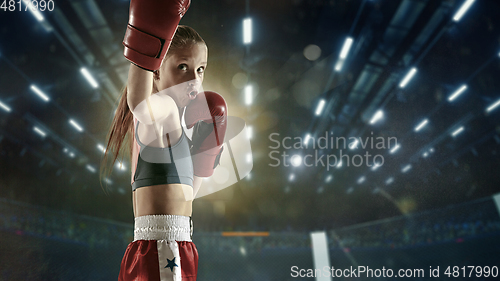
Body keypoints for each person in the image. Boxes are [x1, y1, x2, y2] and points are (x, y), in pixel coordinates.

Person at [100, 1, 227, 280]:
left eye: (201, 69)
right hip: (162, 248)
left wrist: (208, 148)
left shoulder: (175, 124)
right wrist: (147, 35)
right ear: (156, 71)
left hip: (175, 244)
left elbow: (188, 194)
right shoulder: (163, 110)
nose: (194, 79)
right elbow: (141, 104)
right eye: (183, 66)